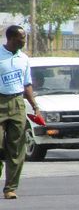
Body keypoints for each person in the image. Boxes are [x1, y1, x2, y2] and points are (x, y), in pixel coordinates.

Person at [0, 25, 42, 199]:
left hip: (17, 102)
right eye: (22, 38)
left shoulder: (24, 58)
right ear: (11, 38)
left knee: (16, 148)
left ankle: (10, 188)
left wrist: (35, 107)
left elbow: (27, 85)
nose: (24, 41)